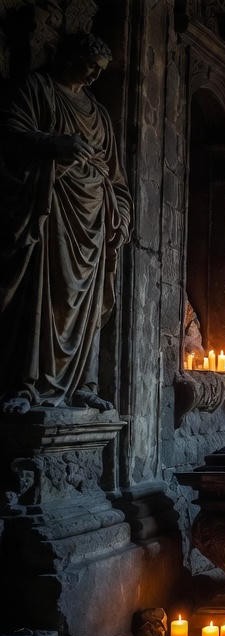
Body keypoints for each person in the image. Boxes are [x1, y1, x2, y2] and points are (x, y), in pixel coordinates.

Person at [0, 34, 132, 414]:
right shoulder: (38, 89)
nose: (93, 75)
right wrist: (55, 145)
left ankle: (81, 383)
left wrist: (120, 212)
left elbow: (116, 176)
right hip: (51, 204)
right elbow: (9, 134)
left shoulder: (99, 113)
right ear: (70, 56)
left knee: (84, 303)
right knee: (42, 292)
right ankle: (25, 384)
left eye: (100, 71)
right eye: (90, 65)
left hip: (93, 220)